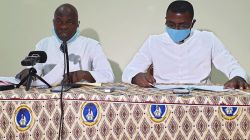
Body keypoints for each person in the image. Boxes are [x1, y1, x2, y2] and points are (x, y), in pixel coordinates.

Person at [122, 0, 249, 89]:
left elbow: (232, 66)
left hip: (200, 100)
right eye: (171, 25)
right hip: (163, 100)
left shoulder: (208, 39)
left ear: (192, 23)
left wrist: (238, 76)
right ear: (165, 20)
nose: (176, 29)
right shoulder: (154, 42)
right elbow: (129, 71)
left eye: (182, 25)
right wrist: (136, 77)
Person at [17, 3, 114, 86]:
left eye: (69, 22)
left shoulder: (91, 45)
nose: (64, 26)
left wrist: (84, 75)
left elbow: (108, 76)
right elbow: (33, 72)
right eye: (59, 21)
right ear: (53, 23)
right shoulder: (43, 44)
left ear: (78, 24)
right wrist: (27, 74)